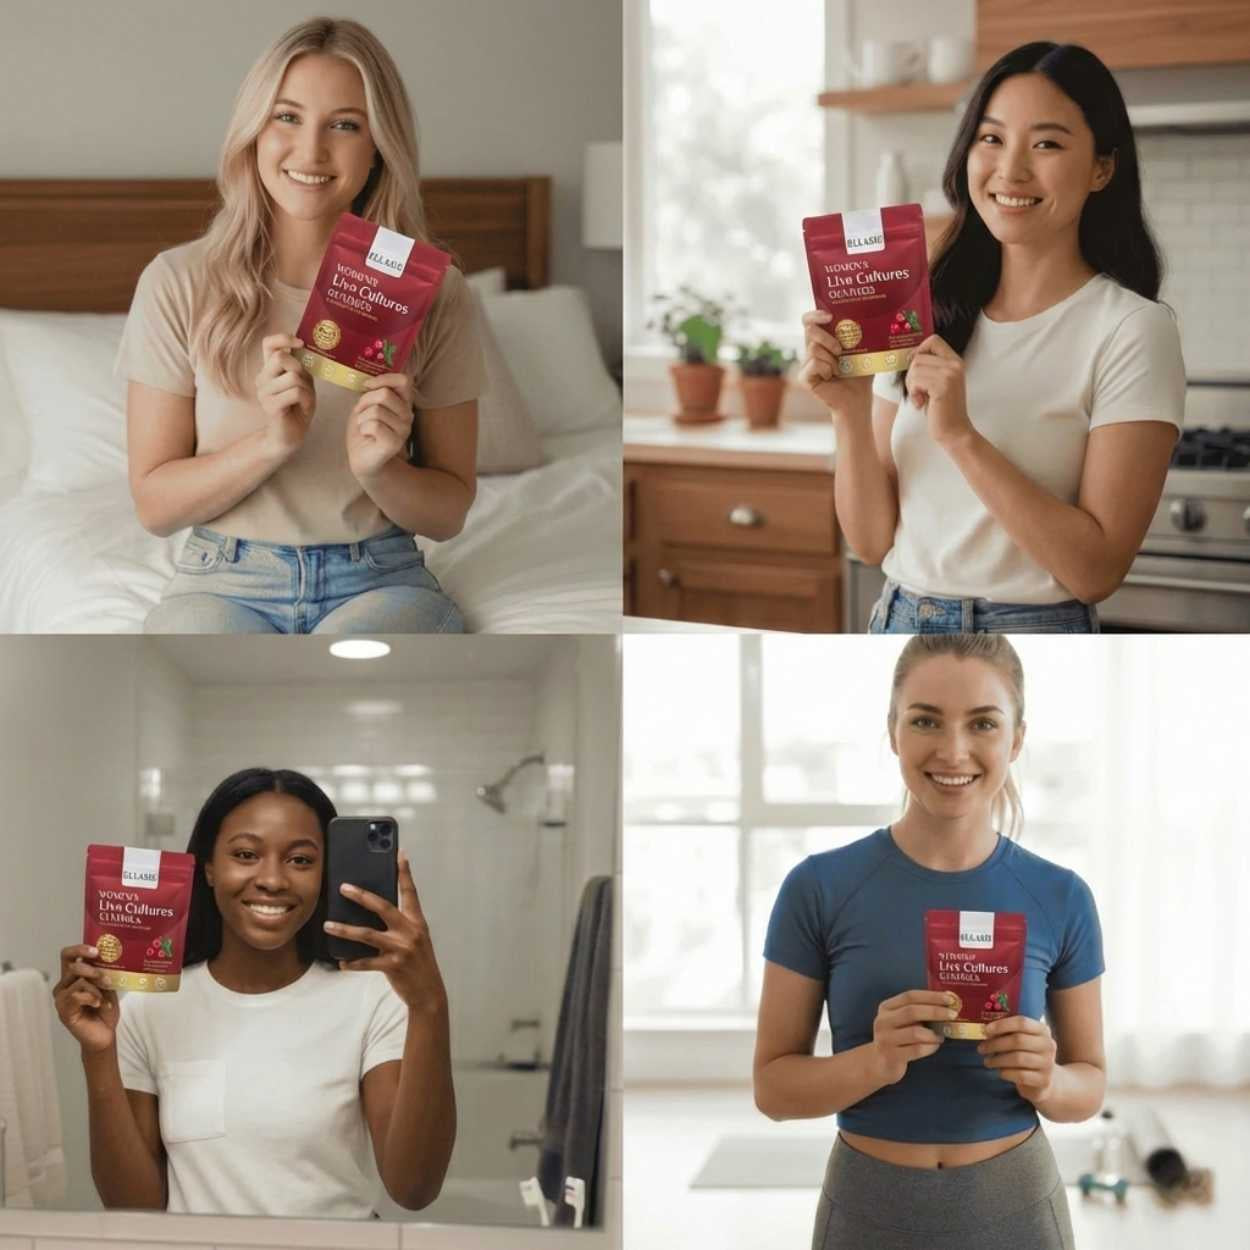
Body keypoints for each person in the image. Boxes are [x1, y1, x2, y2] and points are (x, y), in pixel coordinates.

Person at [801, 42, 1185, 633]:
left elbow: (1096, 570)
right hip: (896, 616)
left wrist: (959, 436)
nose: (1011, 170)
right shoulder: (916, 308)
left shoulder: (1131, 329)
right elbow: (873, 542)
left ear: (1102, 168)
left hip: (1031, 628)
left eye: (1048, 143)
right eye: (991, 138)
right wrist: (849, 414)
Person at [116, 17, 483, 634]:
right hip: (222, 580)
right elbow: (154, 506)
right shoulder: (177, 281)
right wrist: (271, 444)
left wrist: (381, 470)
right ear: (254, 132)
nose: (311, 152)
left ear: (378, 146)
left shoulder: (432, 290)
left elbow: (448, 514)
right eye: (287, 117)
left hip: (380, 576)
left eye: (345, 125)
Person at [754, 636, 1104, 1249]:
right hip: (868, 1205)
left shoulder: (1063, 896)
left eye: (984, 723)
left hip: (1017, 1206)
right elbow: (773, 1091)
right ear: (892, 731)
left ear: (1016, 739)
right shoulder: (818, 888)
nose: (953, 750)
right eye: (925, 720)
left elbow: (1089, 1088)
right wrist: (875, 1062)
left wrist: (1047, 1079)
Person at [53, 768, 453, 1218]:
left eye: (300, 860)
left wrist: (429, 1005)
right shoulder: (149, 1008)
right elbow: (134, 1208)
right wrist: (97, 1055)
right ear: (207, 867)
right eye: (245, 854)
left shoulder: (369, 998)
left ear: (326, 873)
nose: (273, 880)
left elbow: (414, 1187)